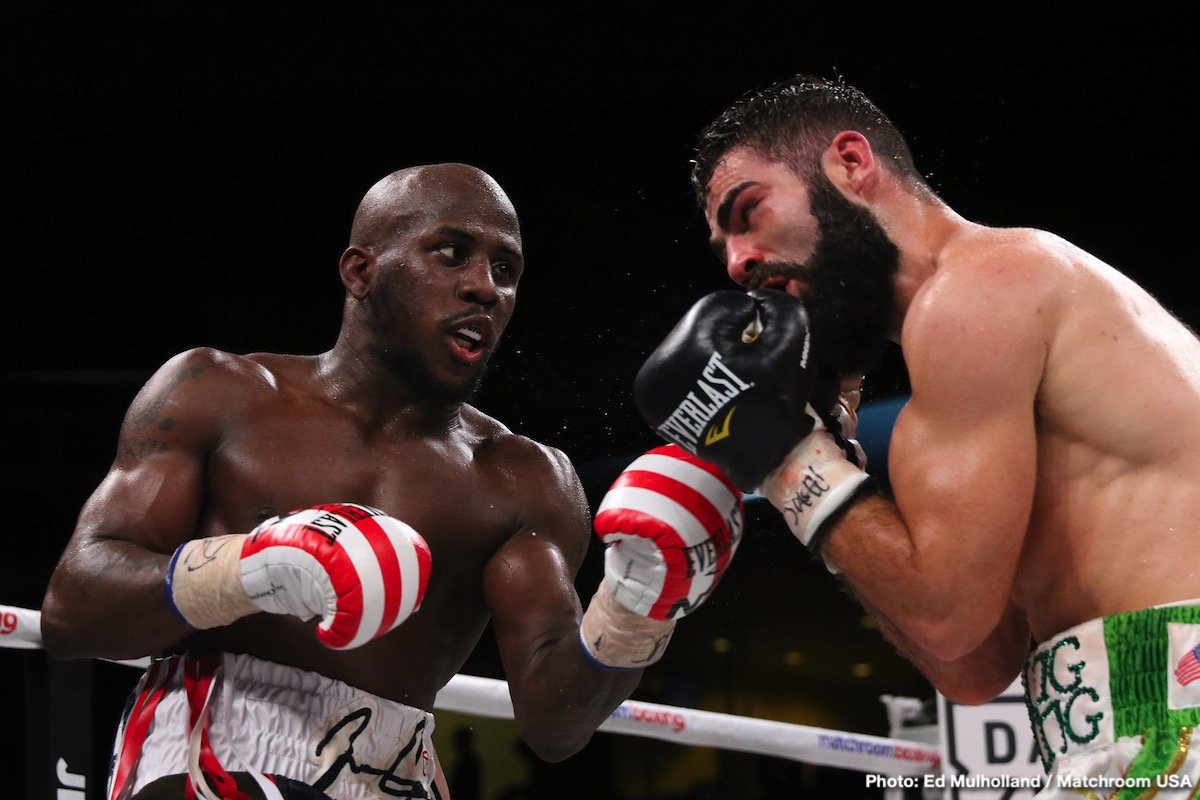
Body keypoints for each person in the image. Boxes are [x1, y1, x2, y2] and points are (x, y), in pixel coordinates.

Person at [40, 163, 744, 800]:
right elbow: (74, 611)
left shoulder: (524, 479)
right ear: (360, 271)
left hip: (395, 774)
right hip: (213, 745)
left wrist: (638, 607)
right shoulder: (217, 392)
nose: (485, 287)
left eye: (507, 268)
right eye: (451, 252)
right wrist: (246, 568)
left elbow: (553, 725)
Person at [635, 75, 1200, 796]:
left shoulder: (988, 284)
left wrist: (787, 456)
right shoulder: (961, 376)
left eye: (749, 214)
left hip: (1176, 702)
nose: (737, 262)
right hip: (1121, 724)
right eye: (723, 246)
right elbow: (971, 661)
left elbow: (944, 617)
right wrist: (823, 463)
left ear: (850, 162)